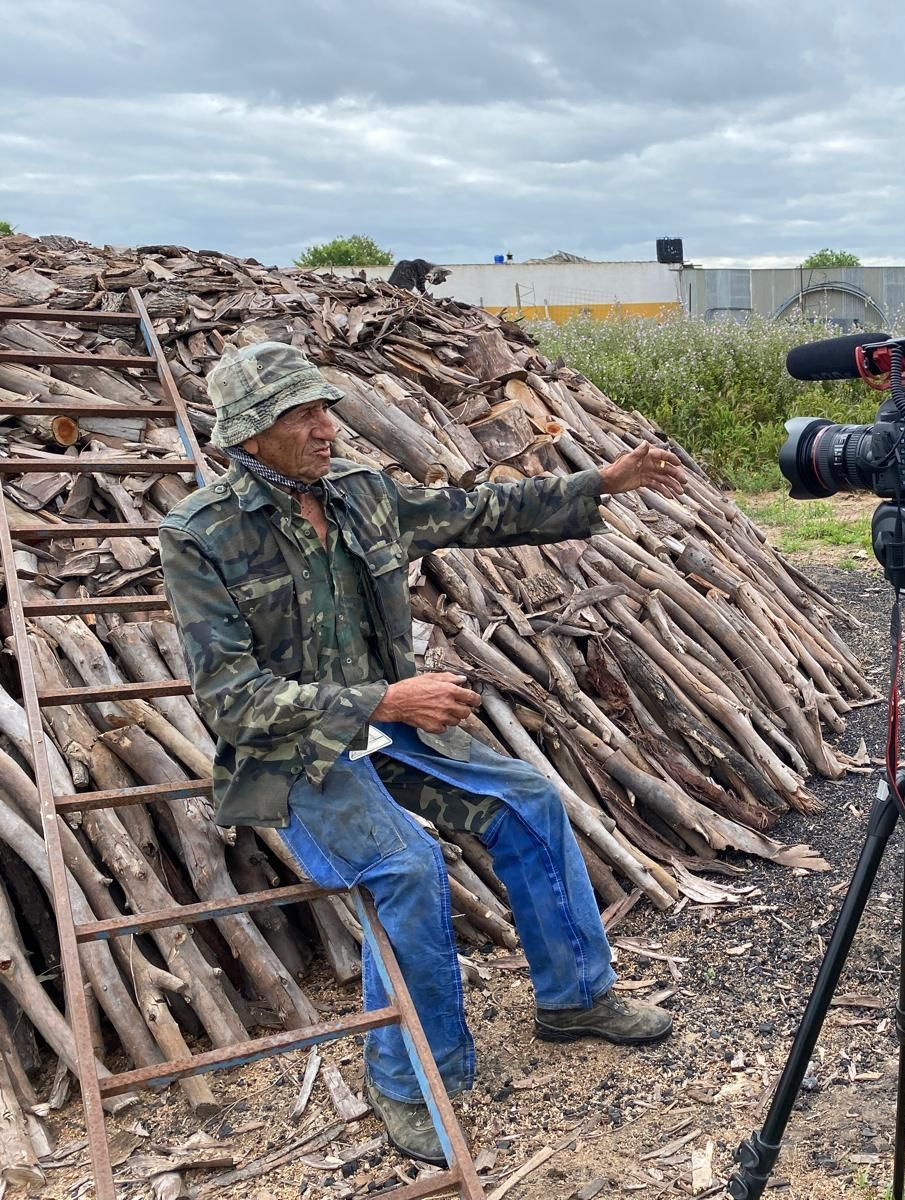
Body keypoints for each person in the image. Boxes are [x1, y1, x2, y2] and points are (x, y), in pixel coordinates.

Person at [158, 341, 688, 1164]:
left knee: (529, 801)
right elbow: (230, 698)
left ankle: (577, 998)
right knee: (405, 866)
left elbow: (478, 515)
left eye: (324, 408)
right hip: (293, 758)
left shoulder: (363, 496)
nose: (325, 427)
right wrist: (383, 699)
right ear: (251, 434)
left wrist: (601, 484)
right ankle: (407, 1080)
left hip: (387, 731)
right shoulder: (202, 537)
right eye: (302, 414)